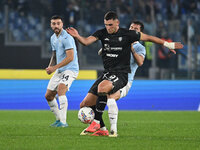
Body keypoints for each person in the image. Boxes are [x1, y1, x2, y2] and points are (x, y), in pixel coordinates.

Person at [66, 11, 183, 136]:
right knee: (85, 104)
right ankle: (103, 129)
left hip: (121, 74)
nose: (108, 28)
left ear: (117, 23)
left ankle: (96, 123)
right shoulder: (102, 33)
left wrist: (168, 44)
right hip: (107, 73)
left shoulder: (128, 35)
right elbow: (86, 41)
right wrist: (77, 36)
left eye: (110, 25)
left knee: (103, 88)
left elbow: (149, 38)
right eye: (106, 25)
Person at [79, 20, 146, 137]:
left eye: (135, 29)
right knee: (85, 103)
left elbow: (140, 62)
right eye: (131, 27)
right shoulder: (121, 40)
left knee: (110, 97)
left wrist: (131, 48)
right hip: (109, 75)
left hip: (124, 80)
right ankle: (102, 128)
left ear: (140, 33)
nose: (132, 30)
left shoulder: (140, 47)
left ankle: (113, 131)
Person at [45, 15, 79, 127]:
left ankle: (63, 122)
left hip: (70, 69)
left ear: (62, 24)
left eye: (58, 23)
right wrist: (50, 66)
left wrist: (54, 68)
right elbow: (54, 54)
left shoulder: (67, 38)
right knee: (49, 96)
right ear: (51, 25)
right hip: (60, 70)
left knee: (61, 90)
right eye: (54, 23)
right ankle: (58, 119)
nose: (56, 26)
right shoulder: (53, 38)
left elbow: (70, 57)